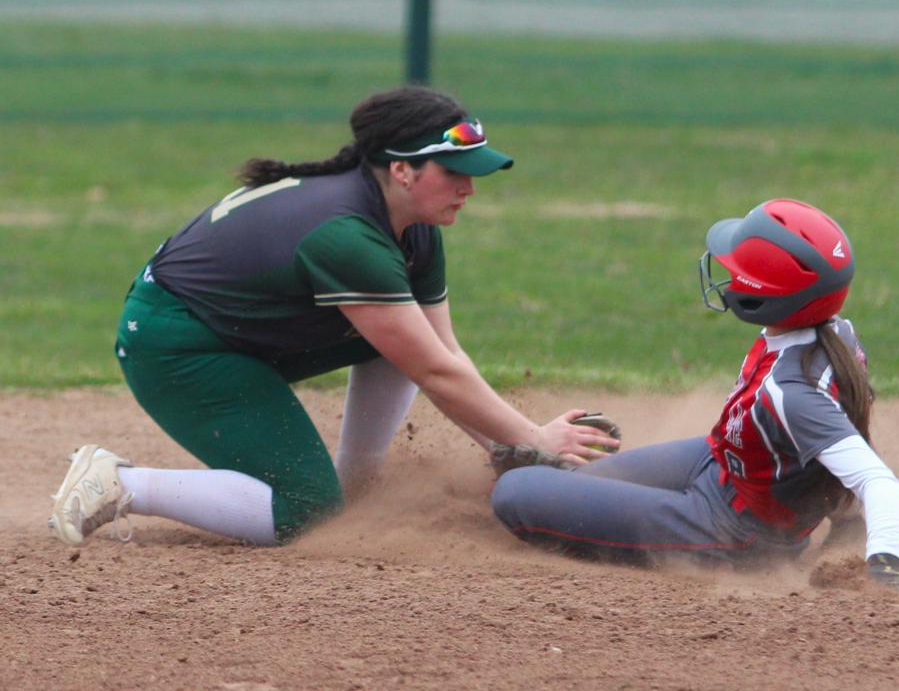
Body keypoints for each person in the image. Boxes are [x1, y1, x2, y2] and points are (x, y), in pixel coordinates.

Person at [48, 86, 618, 547]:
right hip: (177, 347)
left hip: (243, 330)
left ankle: (358, 486)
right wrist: (533, 438)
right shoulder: (348, 238)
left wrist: (507, 446)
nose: (470, 187)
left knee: (398, 344)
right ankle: (119, 482)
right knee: (303, 513)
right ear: (401, 171)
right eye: (454, 171)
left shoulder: (411, 224)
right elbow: (437, 374)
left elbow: (441, 357)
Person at [492, 199, 899, 587]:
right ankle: (569, 488)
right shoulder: (833, 330)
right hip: (720, 461)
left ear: (767, 295)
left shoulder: (791, 391)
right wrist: (846, 514)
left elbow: (880, 482)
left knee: (515, 493)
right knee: (566, 481)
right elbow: (836, 431)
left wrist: (884, 569)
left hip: (733, 529)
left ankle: (566, 496)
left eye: (738, 268)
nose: (726, 271)